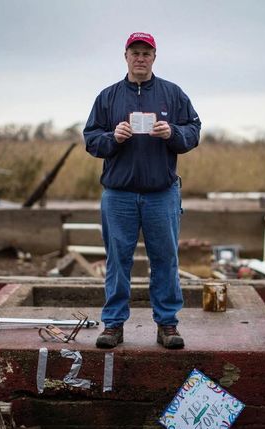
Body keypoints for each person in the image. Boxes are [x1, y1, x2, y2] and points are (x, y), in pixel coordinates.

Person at [83, 32, 201, 349]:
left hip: (161, 193)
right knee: (117, 261)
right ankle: (113, 325)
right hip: (118, 194)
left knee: (164, 259)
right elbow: (91, 139)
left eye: (146, 53)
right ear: (126, 56)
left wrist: (172, 132)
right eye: (135, 52)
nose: (140, 58)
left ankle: (167, 326)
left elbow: (193, 131)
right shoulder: (107, 97)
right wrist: (113, 137)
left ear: (154, 57)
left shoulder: (173, 95)